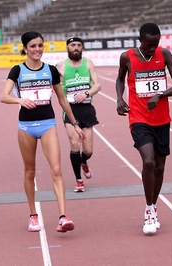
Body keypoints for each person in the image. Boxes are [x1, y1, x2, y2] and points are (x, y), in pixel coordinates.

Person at [0, 31, 85, 233]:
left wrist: (75, 123)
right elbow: (3, 96)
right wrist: (19, 100)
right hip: (26, 127)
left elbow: (62, 99)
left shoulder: (51, 70)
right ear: (25, 49)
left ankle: (63, 216)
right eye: (33, 46)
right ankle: (33, 215)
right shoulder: (17, 70)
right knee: (30, 171)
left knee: (56, 169)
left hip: (48, 123)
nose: (37, 49)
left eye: (40, 45)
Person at [115, 22, 172, 234]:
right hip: (139, 117)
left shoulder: (164, 55)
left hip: (162, 119)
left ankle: (154, 205)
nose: (151, 49)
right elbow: (119, 79)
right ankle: (148, 211)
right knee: (148, 161)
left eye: (155, 45)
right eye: (148, 45)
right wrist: (119, 98)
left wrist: (161, 94)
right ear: (140, 41)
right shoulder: (127, 57)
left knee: (160, 167)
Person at [56, 36, 101, 192]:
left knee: (88, 150)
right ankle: (79, 180)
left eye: (79, 45)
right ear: (67, 47)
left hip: (87, 109)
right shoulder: (61, 66)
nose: (76, 47)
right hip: (70, 111)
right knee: (75, 143)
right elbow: (55, 89)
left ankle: (84, 162)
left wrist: (86, 93)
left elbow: (98, 85)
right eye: (73, 45)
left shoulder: (88, 63)